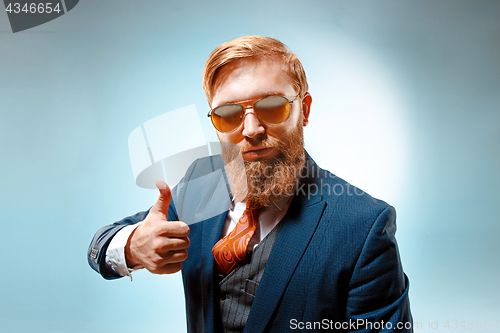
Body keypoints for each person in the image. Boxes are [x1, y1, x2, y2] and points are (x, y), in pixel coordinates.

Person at [88, 36, 413, 332]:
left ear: (305, 110)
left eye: (272, 107)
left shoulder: (363, 226)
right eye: (229, 114)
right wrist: (132, 246)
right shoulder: (200, 184)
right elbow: (101, 246)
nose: (251, 129)